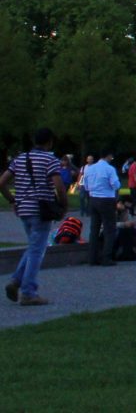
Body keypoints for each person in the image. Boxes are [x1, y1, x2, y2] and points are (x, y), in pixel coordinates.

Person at [2, 129, 70, 306]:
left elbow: (2, 182)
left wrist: (12, 200)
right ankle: (28, 292)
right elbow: (59, 186)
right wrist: (63, 205)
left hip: (23, 209)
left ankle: (17, 280)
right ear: (49, 143)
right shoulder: (49, 159)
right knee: (37, 251)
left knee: (34, 247)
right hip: (41, 209)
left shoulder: (20, 159)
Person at [84, 147, 122, 266]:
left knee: (94, 229)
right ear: (109, 156)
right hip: (107, 199)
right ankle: (106, 257)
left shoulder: (90, 169)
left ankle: (92, 257)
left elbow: (86, 186)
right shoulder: (109, 169)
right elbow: (115, 184)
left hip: (93, 199)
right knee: (109, 229)